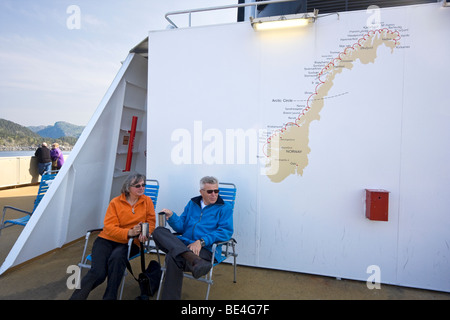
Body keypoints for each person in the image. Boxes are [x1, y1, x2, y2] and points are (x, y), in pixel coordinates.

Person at [70, 173, 155, 300]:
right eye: (137, 186)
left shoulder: (147, 201)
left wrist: (145, 232)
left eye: (143, 185)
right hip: (106, 240)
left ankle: (110, 297)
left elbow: (151, 221)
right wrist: (128, 232)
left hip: (131, 243)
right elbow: (109, 228)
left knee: (116, 259)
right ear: (128, 187)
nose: (142, 188)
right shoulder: (115, 202)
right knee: (98, 273)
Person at [152, 176, 233, 300]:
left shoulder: (224, 208)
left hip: (205, 249)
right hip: (185, 245)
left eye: (216, 191)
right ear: (201, 192)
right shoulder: (192, 204)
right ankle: (193, 259)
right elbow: (181, 227)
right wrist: (172, 216)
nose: (214, 194)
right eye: (209, 191)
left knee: (172, 257)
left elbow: (225, 232)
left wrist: (201, 242)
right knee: (158, 231)